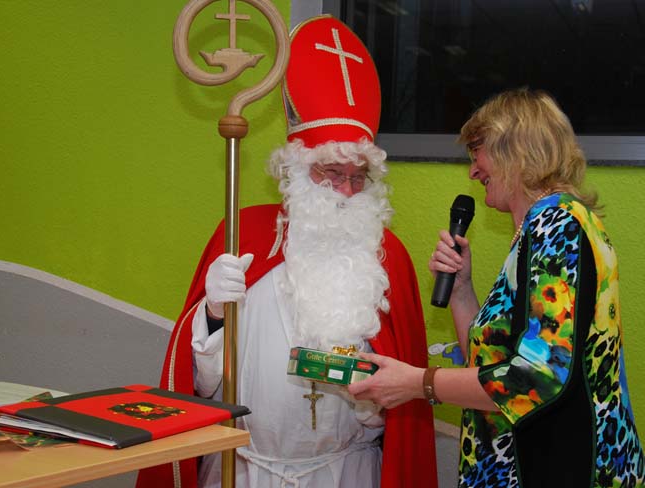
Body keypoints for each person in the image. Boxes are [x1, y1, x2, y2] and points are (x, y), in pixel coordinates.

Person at [136, 15, 437, 488]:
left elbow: (403, 406)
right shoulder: (243, 234)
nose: (346, 191)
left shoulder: (387, 256)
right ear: (298, 170)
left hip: (346, 473)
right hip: (245, 469)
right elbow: (200, 386)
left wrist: (371, 401)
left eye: (358, 177)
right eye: (332, 174)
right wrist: (211, 314)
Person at [349, 88, 645, 487]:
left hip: (559, 467)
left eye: (477, 152)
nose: (473, 171)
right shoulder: (544, 227)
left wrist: (419, 383)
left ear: (516, 149)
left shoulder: (556, 226)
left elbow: (538, 377)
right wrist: (461, 291)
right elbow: (492, 363)